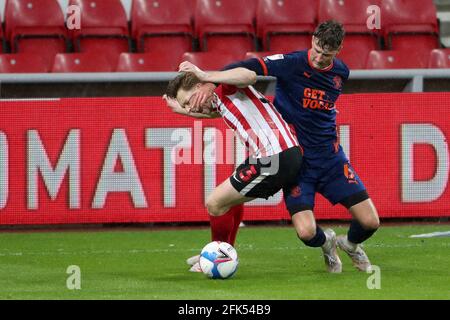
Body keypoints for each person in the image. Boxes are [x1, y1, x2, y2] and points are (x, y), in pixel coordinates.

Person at [188, 20, 380, 273]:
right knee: (306, 232)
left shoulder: (341, 72)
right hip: (298, 161)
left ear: (339, 49)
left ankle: (351, 245)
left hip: (332, 160)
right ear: (313, 39)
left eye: (328, 54)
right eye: (318, 50)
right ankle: (328, 244)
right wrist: (212, 82)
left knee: (370, 222)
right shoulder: (291, 63)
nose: (321, 58)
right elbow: (250, 66)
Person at [164, 62, 321, 272]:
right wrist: (183, 111)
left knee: (214, 202)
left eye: (188, 101)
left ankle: (217, 254)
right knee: (230, 199)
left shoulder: (227, 85)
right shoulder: (221, 99)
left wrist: (206, 74)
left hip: (275, 156)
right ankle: (221, 250)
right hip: (276, 156)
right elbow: (213, 114)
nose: (191, 107)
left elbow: (249, 75)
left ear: (201, 85)